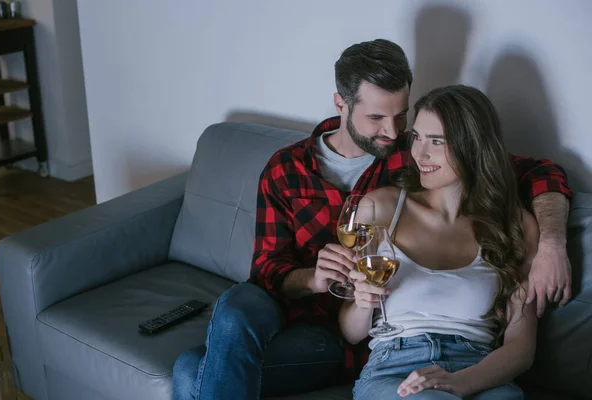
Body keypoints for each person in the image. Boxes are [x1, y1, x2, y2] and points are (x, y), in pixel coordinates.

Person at [172, 39, 572, 400]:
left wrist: (552, 242)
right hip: (308, 322)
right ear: (341, 104)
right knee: (234, 307)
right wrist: (313, 278)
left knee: (195, 374)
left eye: (402, 117)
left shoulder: (409, 155)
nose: (395, 132)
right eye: (378, 118)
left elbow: (531, 171)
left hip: (365, 336)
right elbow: (266, 271)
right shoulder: (286, 170)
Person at [342, 84, 537, 399]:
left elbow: (521, 347)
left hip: (479, 367)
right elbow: (351, 333)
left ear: (471, 146)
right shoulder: (381, 207)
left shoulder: (515, 225)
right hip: (395, 366)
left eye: (436, 141)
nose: (419, 154)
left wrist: (462, 382)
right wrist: (363, 302)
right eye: (417, 137)